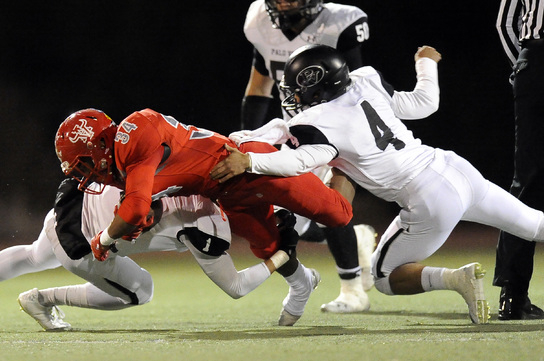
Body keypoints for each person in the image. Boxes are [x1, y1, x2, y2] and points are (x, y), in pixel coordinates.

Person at [210, 43, 544, 324]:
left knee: (382, 278)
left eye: (299, 89)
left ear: (318, 87)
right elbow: (425, 104)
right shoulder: (364, 81)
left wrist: (249, 160)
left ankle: (458, 278)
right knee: (533, 224)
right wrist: (426, 62)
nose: (294, 96)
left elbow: (297, 161)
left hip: (428, 199)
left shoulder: (316, 121)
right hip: (454, 168)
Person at [54, 108, 354, 326]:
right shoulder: (121, 168)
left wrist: (104, 239)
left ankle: (348, 158)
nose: (86, 174)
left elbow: (133, 208)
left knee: (339, 215)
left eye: (84, 164)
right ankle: (303, 285)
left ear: (101, 145)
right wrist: (148, 215)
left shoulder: (137, 130)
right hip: (227, 193)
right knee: (268, 247)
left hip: (248, 167)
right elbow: (151, 198)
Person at [0, 179, 288, 331]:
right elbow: (237, 287)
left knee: (34, 255)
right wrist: (281, 257)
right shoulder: (209, 224)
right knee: (141, 290)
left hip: (73, 205)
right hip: (88, 242)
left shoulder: (191, 166)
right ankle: (41, 300)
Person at [241, 0, 376, 314]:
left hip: (340, 131)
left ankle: (353, 290)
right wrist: (250, 138)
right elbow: (259, 86)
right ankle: (356, 240)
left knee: (329, 204)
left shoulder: (341, 22)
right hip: (298, 134)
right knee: (283, 222)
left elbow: (360, 89)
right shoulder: (259, 21)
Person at [494, 0, 544, 320]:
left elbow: (506, 24)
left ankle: (512, 295)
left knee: (527, 181)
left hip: (536, 59)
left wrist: (523, 66)